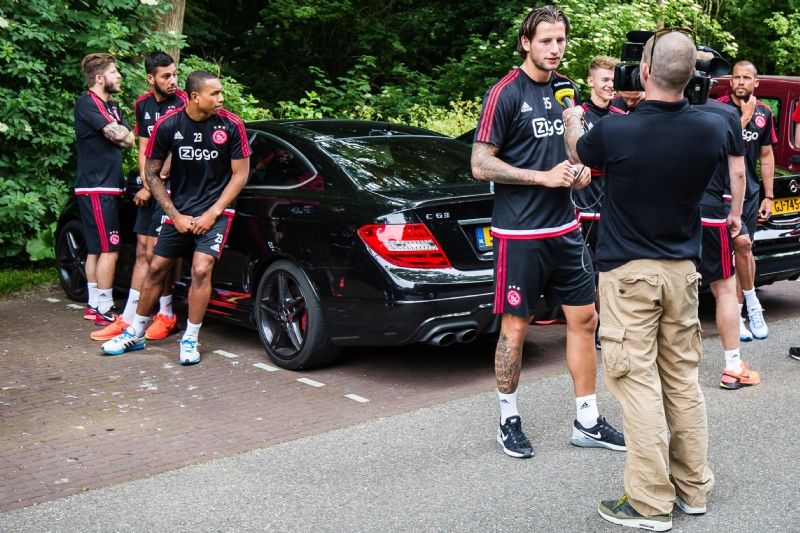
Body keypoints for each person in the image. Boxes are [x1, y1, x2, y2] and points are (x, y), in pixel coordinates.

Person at [564, 30, 724, 530]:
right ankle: (693, 488)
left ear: (645, 72)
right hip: (682, 274)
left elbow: (580, 153)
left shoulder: (616, 131)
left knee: (637, 385)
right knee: (681, 381)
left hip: (629, 276)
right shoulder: (713, 129)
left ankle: (650, 502)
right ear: (693, 75)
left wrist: (572, 119)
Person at [471, 5, 624, 459]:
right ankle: (508, 420)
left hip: (566, 228)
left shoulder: (567, 88)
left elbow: (573, 151)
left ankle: (587, 420)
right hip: (520, 233)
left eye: (560, 40)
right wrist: (541, 177)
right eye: (546, 41)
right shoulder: (504, 93)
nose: (555, 49)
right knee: (516, 329)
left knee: (585, 320)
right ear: (526, 43)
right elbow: (480, 164)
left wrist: (579, 169)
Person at [101, 70, 251, 365]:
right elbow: (151, 174)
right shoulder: (168, 125)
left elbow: (240, 175)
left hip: (217, 210)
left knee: (201, 268)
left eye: (221, 92)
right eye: (215, 93)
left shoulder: (232, 125)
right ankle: (136, 333)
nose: (221, 98)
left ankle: (190, 338)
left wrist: (212, 213)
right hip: (179, 210)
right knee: (157, 268)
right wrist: (175, 214)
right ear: (195, 97)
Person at [91, 51, 188, 342]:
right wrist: (146, 182)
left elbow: (176, 150)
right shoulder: (142, 104)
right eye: (166, 76)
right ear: (150, 78)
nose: (173, 80)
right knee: (143, 250)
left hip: (173, 187)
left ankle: (166, 315)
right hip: (151, 183)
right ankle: (129, 317)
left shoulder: (183, 101)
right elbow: (144, 147)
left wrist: (153, 184)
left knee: (159, 252)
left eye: (175, 74)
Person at [696, 97, 761, 390]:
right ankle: (733, 367)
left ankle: (674, 371)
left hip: (671, 215)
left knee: (676, 290)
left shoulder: (656, 107)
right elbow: (738, 171)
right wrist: (735, 213)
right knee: (723, 288)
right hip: (711, 212)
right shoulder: (724, 113)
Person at [73, 53, 135, 326]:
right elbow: (120, 135)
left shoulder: (113, 106)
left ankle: (93, 304)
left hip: (108, 185)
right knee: (110, 248)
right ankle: (105, 308)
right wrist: (120, 133)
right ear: (99, 78)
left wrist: (121, 133)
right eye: (114, 72)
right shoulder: (88, 102)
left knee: (96, 250)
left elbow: (128, 139)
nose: (119, 76)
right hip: (96, 186)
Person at [717, 61, 776, 341]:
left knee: (744, 248)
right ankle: (746, 306)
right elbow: (719, 145)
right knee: (735, 248)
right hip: (721, 191)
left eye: (747, 78)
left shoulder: (764, 112)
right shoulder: (718, 108)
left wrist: (769, 195)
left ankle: (744, 310)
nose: (741, 82)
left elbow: (766, 156)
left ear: (756, 82)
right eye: (737, 77)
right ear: (730, 81)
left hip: (749, 192)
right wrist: (743, 117)